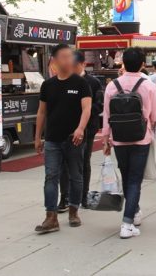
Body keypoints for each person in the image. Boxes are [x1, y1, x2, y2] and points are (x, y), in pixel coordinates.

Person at [34, 44, 92, 233]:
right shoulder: (48, 85)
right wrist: (37, 137)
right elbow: (42, 112)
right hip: (52, 139)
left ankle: (74, 210)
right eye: (64, 57)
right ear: (54, 60)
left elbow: (87, 108)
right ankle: (51, 217)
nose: (69, 60)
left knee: (76, 175)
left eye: (70, 57)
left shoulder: (81, 83)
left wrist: (80, 129)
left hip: (73, 139)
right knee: (51, 176)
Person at [103, 47, 156, 239]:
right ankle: (127, 223)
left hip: (118, 138)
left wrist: (106, 138)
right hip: (141, 137)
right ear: (143, 64)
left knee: (127, 176)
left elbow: (107, 116)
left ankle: (134, 212)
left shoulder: (112, 86)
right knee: (135, 179)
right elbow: (155, 115)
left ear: (123, 63)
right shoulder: (148, 85)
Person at [57, 51, 104, 210]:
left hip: (87, 130)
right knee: (64, 164)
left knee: (83, 162)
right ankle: (64, 197)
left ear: (83, 64)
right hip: (65, 130)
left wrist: (83, 115)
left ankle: (83, 196)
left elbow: (99, 105)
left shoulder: (93, 82)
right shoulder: (63, 80)